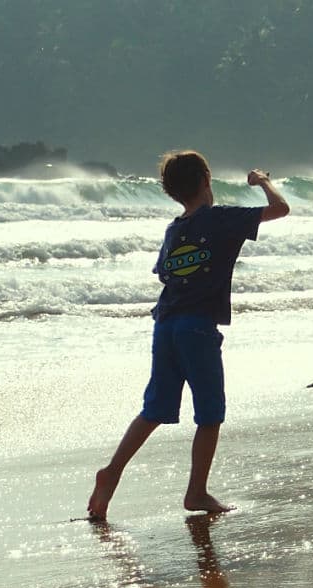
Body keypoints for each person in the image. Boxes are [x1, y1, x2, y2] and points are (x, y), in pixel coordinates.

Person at [87, 150, 290, 520]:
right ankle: (196, 492)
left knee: (154, 410)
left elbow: (166, 273)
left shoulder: (174, 229)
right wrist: (262, 181)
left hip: (165, 326)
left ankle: (112, 471)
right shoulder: (221, 219)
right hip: (197, 327)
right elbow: (281, 208)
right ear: (206, 180)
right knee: (209, 414)